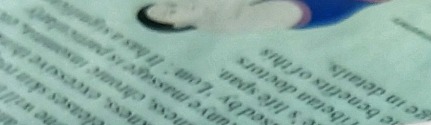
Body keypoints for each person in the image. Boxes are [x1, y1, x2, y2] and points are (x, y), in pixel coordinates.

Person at [137, 0, 390, 33]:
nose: (174, 7)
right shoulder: (222, 24)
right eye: (171, 13)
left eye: (168, 4)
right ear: (177, 24)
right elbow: (285, 12)